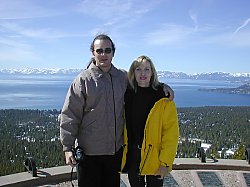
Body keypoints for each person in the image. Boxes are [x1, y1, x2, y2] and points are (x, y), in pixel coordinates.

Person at [60, 34, 174, 187]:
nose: (103, 54)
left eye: (107, 50)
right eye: (99, 50)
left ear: (113, 52)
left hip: (115, 154)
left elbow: (143, 81)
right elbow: (70, 115)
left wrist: (162, 87)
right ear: (93, 53)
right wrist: (67, 148)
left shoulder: (122, 78)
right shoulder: (83, 81)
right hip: (89, 154)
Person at [122, 55, 179, 187]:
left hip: (155, 157)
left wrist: (165, 163)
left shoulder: (163, 97)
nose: (143, 73)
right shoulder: (126, 94)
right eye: (138, 69)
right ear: (133, 72)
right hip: (133, 155)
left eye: (147, 69)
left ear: (152, 72)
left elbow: (171, 133)